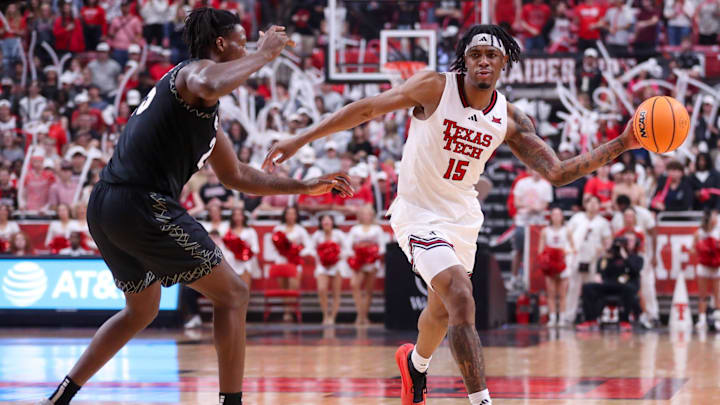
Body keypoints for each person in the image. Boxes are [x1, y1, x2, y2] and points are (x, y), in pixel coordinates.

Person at [263, 24, 640, 405]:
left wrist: (624, 142)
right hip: (417, 212)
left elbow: (558, 173)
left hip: (462, 218)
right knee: (461, 296)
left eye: (491, 55)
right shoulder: (435, 88)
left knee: (441, 313)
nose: (483, 61)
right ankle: (482, 401)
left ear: (503, 62)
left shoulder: (510, 118)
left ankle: (415, 365)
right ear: (465, 59)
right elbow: (367, 108)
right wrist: (300, 138)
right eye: (475, 54)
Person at [37, 9, 352, 405]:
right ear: (220, 44)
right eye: (241, 42)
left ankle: (61, 396)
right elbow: (207, 81)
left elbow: (236, 175)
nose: (246, 48)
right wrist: (264, 55)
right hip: (140, 202)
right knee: (234, 294)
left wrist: (303, 187)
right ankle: (230, 402)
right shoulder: (192, 74)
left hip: (107, 206)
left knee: (141, 310)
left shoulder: (202, 111)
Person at [267, 205, 313, 322]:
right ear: (285, 215)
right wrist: (282, 253)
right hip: (281, 261)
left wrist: (297, 251)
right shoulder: (278, 228)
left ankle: (291, 311)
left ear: (296, 216)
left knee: (293, 288)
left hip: (294, 261)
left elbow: (309, 247)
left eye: (293, 214)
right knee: (284, 288)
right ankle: (286, 312)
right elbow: (273, 246)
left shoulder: (300, 229)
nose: (291, 216)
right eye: (288, 213)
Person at [347, 204, 386, 325]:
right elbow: (348, 246)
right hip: (359, 261)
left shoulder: (377, 229)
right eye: (363, 213)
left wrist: (373, 255)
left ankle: (364, 317)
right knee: (355, 285)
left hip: (371, 262)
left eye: (368, 214)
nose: (366, 216)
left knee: (369, 290)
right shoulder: (355, 229)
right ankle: (360, 314)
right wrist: (355, 256)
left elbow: (382, 247)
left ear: (372, 215)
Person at [537, 207, 574, 327]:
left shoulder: (567, 230)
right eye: (554, 214)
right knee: (551, 293)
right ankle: (552, 318)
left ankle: (562, 318)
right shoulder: (545, 231)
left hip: (563, 264)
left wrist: (564, 252)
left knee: (562, 293)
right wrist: (546, 258)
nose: (557, 217)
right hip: (551, 265)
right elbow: (540, 249)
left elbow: (573, 248)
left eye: (559, 214)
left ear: (562, 216)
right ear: (551, 217)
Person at [311, 213, 348, 325]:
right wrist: (322, 256)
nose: (326, 224)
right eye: (324, 222)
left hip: (337, 265)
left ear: (332, 223)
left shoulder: (339, 234)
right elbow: (311, 249)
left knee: (336, 292)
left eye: (328, 221)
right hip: (322, 265)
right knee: (322, 289)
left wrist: (337, 256)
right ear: (321, 224)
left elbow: (346, 249)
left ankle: (333, 316)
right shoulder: (317, 235)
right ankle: (325, 314)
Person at [691, 210, 720, 331]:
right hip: (703, 266)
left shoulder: (718, 232)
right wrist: (702, 250)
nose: (717, 218)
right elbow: (692, 249)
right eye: (714, 216)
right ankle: (702, 319)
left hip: (716, 267)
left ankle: (718, 320)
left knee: (718, 295)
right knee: (702, 294)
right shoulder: (699, 233)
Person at [222, 207, 260, 291]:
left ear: (243, 217)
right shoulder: (227, 231)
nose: (237, 218)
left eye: (239, 215)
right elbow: (223, 248)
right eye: (235, 215)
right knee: (232, 291)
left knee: (245, 290)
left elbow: (255, 249)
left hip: (245, 263)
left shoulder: (250, 231)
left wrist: (245, 253)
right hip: (231, 263)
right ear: (232, 217)